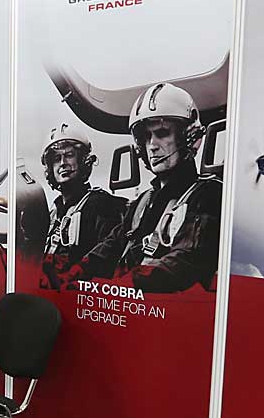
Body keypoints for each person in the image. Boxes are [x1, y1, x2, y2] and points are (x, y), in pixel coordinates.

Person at [76, 82, 220, 291]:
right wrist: (77, 271)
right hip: (131, 301)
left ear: (188, 136)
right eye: (146, 137)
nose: (152, 145)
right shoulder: (143, 202)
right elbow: (112, 245)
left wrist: (125, 285)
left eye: (162, 133)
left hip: (166, 305)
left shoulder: (207, 196)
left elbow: (186, 259)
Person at [37, 121, 127, 289]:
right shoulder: (53, 214)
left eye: (69, 155)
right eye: (56, 159)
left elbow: (108, 255)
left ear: (83, 160)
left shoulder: (101, 204)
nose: (63, 163)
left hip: (78, 293)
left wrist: (73, 276)